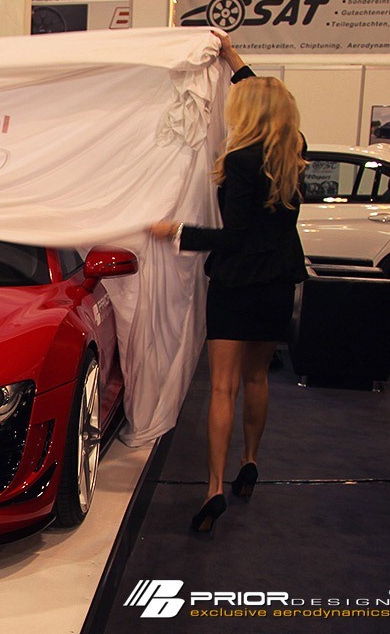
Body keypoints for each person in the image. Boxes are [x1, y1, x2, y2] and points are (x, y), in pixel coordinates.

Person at [148, 37, 308, 533]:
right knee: (257, 379)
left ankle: (213, 488)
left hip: (238, 283)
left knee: (222, 386)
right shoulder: (294, 150)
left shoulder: (240, 160)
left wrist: (177, 232)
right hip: (278, 281)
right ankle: (250, 462)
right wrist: (234, 59)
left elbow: (235, 237)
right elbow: (264, 95)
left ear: (250, 113)